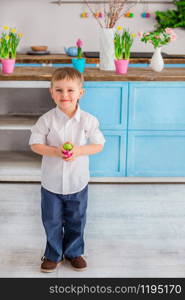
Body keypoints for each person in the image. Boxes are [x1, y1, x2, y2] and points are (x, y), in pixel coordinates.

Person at [29, 67, 105, 273]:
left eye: (70, 90)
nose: (65, 95)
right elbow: (35, 144)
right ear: (51, 92)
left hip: (77, 182)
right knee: (51, 220)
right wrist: (55, 151)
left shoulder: (88, 120)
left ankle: (74, 252)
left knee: (76, 219)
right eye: (59, 90)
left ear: (80, 93)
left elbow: (98, 144)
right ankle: (53, 254)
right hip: (51, 183)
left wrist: (79, 150)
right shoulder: (46, 120)